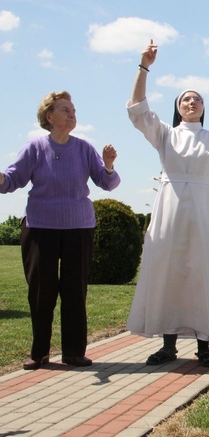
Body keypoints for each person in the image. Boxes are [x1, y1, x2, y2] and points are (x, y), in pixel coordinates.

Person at [125, 40, 209, 368]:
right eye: (185, 98)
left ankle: (204, 346)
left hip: (204, 213)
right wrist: (144, 67)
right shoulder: (165, 135)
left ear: (203, 108)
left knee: (201, 275)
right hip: (170, 210)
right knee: (170, 273)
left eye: (197, 99)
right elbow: (138, 109)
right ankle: (168, 346)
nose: (191, 102)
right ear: (178, 107)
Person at [0, 91, 120, 370]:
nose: (71, 114)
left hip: (79, 227)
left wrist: (110, 165)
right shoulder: (35, 147)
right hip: (40, 227)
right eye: (64, 109)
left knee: (75, 290)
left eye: (73, 110)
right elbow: (13, 179)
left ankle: (74, 353)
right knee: (42, 291)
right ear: (49, 117)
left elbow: (107, 182)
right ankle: (39, 352)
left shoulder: (84, 148)